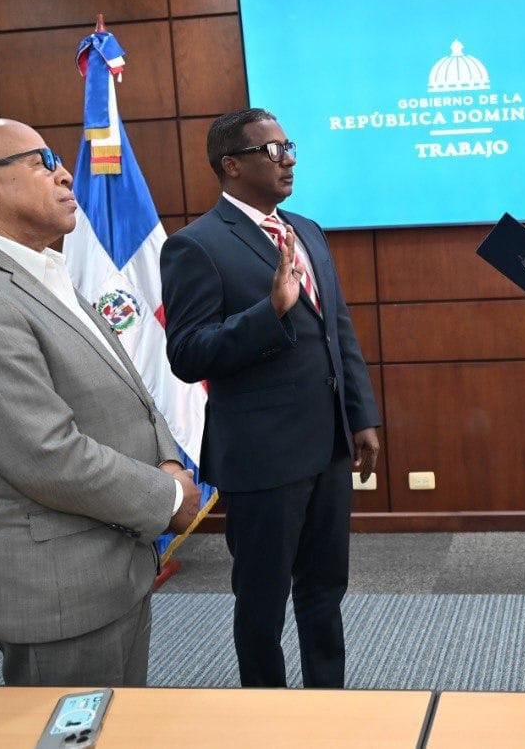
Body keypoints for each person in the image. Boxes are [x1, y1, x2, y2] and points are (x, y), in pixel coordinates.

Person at [0, 118, 202, 687]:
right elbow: (43, 454)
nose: (65, 173)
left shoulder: (43, 270)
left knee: (120, 719)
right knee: (72, 725)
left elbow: (131, 390)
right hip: (55, 583)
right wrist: (168, 494)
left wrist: (168, 459)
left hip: (111, 558)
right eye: (42, 162)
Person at [160, 108, 380, 688]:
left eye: (290, 147)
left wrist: (360, 415)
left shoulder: (307, 230)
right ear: (231, 165)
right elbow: (188, 354)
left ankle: (327, 699)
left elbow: (337, 329)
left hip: (328, 445)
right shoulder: (195, 246)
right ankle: (265, 708)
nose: (289, 160)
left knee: (325, 588)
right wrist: (270, 311)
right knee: (262, 600)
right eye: (273, 151)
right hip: (261, 457)